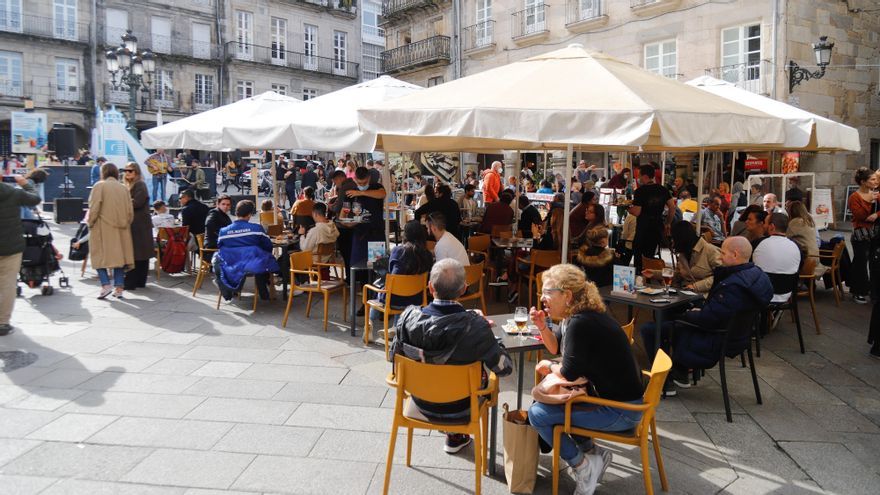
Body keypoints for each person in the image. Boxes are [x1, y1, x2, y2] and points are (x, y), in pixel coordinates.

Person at [528, 264, 642, 493]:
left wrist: (548, 366)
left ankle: (582, 466)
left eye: (548, 292)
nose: (542, 298)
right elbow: (555, 347)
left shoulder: (581, 323)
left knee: (538, 414)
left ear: (567, 295)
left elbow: (568, 372)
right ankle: (594, 453)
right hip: (623, 404)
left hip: (620, 412)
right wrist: (542, 326)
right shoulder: (578, 317)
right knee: (561, 404)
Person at [389, 258, 513, 453]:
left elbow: (393, 358)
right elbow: (504, 368)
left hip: (421, 401)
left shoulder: (406, 320)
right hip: (461, 408)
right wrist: (492, 338)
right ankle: (455, 434)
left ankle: (454, 436)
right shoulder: (476, 327)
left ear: (430, 287)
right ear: (464, 289)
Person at [640, 236, 772, 394]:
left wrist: (688, 315)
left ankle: (664, 381)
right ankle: (680, 372)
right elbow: (721, 312)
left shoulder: (733, 285)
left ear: (735, 254)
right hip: (739, 336)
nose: (720, 257)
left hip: (714, 338)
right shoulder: (758, 276)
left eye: (723, 253)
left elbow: (708, 319)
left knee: (652, 329)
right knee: (675, 319)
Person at [214, 200, 280, 301]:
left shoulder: (223, 232)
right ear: (249, 215)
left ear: (236, 212)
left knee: (217, 258)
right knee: (263, 258)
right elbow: (268, 246)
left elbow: (221, 248)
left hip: (232, 266)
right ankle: (263, 289)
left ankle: (229, 291)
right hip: (253, 266)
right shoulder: (257, 229)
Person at [370, 220, 434, 324]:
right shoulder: (428, 255)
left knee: (381, 287)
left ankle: (370, 322)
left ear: (406, 235)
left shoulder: (398, 251)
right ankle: (396, 327)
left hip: (394, 300)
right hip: (417, 300)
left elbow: (393, 275)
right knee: (397, 289)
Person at [0, 173, 42, 334]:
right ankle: (3, 323)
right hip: (11, 246)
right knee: (8, 284)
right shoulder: (13, 192)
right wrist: (25, 183)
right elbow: (35, 199)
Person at [87, 162, 135, 300]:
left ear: (103, 172)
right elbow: (130, 212)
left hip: (102, 228)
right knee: (119, 259)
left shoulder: (99, 186)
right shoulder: (123, 188)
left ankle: (105, 285)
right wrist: (126, 223)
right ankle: (119, 288)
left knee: (98, 256)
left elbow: (94, 207)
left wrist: (90, 223)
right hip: (121, 229)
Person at [646, 221, 721, 295]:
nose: (672, 242)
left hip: (705, 296)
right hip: (684, 294)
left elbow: (721, 277)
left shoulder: (711, 251)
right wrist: (654, 273)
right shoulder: (684, 253)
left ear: (682, 238)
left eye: (673, 238)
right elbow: (678, 275)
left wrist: (696, 286)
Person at [629, 165, 675, 272]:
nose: (638, 178)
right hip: (657, 224)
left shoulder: (640, 191)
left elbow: (637, 212)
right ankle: (650, 274)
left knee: (638, 251)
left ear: (645, 176)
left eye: (639, 176)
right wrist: (668, 222)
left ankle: (639, 274)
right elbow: (672, 207)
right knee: (650, 252)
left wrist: (628, 208)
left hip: (644, 225)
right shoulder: (663, 189)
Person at [753, 213, 802, 303]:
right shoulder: (796, 246)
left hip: (760, 295)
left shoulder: (758, 243)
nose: (763, 226)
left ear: (772, 227)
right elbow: (798, 268)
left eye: (765, 223)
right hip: (786, 293)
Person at [122, 162, 154, 290]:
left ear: (136, 172)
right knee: (140, 254)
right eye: (126, 170)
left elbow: (137, 202)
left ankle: (134, 282)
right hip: (137, 224)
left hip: (139, 225)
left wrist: (123, 201)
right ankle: (139, 281)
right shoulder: (129, 185)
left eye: (130, 170)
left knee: (137, 254)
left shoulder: (140, 184)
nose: (127, 173)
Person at [848, 167, 877, 305]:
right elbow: (860, 215)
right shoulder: (854, 197)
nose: (875, 181)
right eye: (872, 179)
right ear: (863, 182)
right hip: (861, 234)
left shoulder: (876, 194)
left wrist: (876, 214)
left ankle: (872, 289)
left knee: (874, 262)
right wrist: (870, 202)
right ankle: (858, 291)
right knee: (860, 262)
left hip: (874, 233)